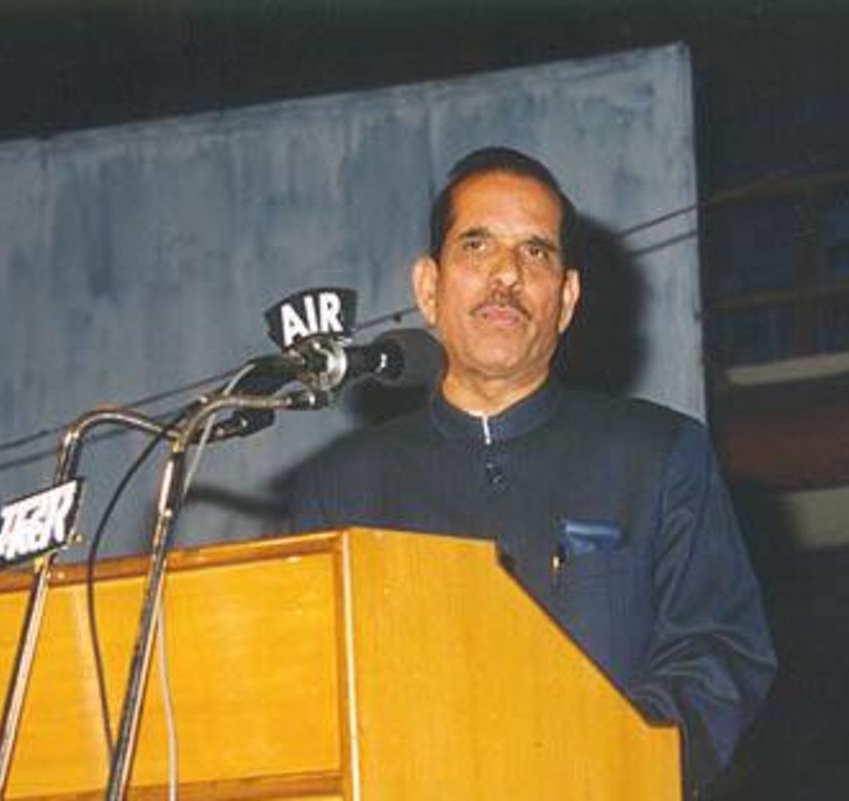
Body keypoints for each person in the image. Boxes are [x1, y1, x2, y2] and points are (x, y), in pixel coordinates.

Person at [290, 146, 775, 795]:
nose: (507, 276)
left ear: (567, 299)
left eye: (536, 252)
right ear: (429, 288)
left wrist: (593, 764)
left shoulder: (658, 454)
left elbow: (720, 658)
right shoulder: (340, 486)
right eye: (477, 246)